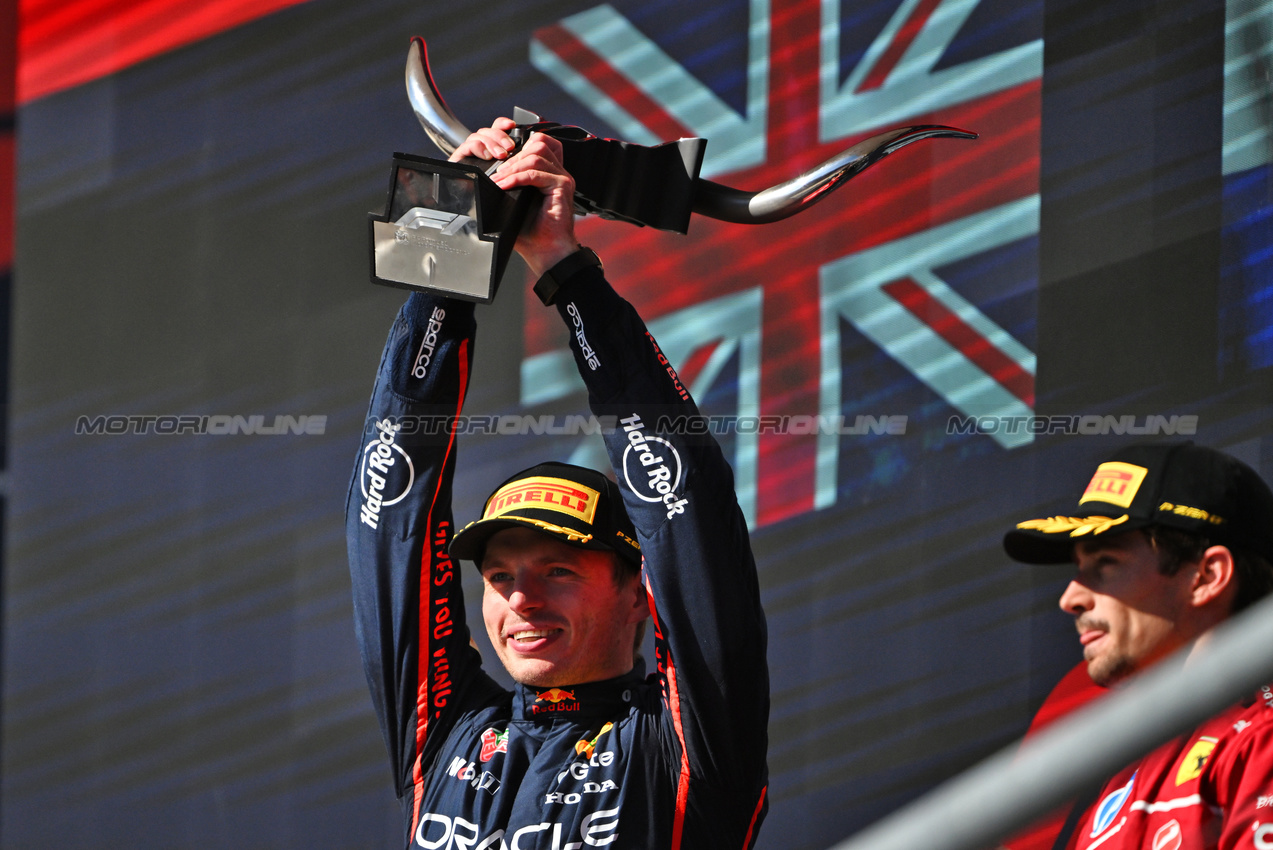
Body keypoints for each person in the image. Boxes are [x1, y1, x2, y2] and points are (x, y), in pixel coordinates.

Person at [346, 118, 769, 850]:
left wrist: (565, 269)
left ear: (640, 592)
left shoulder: (683, 744)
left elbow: (685, 517)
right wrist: (448, 235)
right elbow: (391, 512)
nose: (520, 600)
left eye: (560, 570)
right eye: (501, 575)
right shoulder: (447, 734)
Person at [1003, 442, 1273, 850]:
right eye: (1080, 570)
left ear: (1206, 576)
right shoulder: (1128, 774)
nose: (1070, 598)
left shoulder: (1260, 741)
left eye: (1105, 564)